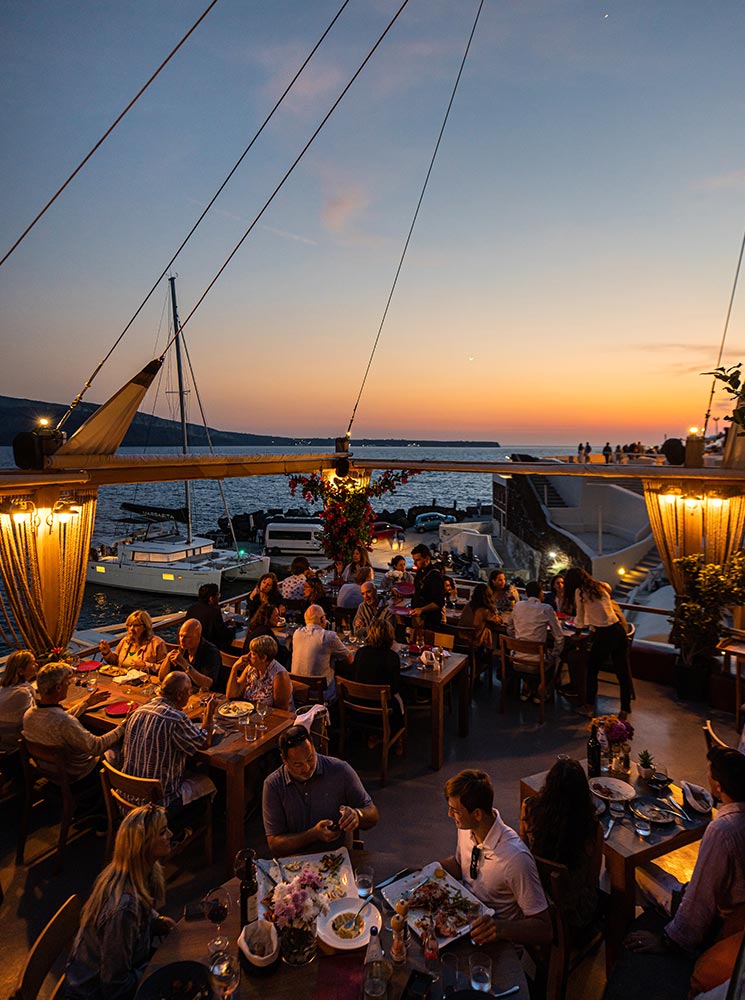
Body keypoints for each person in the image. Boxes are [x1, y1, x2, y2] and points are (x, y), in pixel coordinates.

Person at [626, 747, 745, 957]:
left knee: (634, 872)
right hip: (733, 914)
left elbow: (701, 898)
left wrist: (670, 941)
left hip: (720, 924)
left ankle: (619, 938)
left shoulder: (723, 831)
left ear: (717, 785)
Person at [64, 804, 175, 1000]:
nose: (171, 835)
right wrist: (155, 969)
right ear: (144, 845)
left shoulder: (138, 874)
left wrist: (156, 921)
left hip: (126, 969)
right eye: (163, 832)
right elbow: (115, 987)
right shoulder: (123, 909)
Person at [438, 769, 551, 948]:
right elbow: (461, 865)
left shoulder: (515, 859)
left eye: (455, 810)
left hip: (497, 943)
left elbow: (544, 929)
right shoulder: (467, 829)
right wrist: (427, 871)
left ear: (477, 814)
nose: (450, 815)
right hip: (462, 922)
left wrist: (500, 929)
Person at [262, 723, 379, 857]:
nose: (307, 768)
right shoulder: (273, 785)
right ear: (284, 760)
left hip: (338, 859)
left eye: (310, 758)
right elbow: (275, 846)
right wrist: (313, 835)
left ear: (313, 747)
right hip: (296, 865)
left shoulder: (340, 770)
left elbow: (373, 815)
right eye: (298, 764)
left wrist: (358, 815)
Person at [520, 758, 603, 941]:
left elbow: (522, 852)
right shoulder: (591, 827)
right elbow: (592, 880)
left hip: (535, 899)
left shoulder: (530, 809)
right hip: (573, 915)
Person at [122, 671, 217, 823]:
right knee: (207, 780)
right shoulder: (176, 719)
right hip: (156, 808)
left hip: (127, 800)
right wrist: (209, 714)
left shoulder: (138, 711)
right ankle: (189, 832)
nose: (191, 694)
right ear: (179, 695)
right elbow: (204, 742)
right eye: (189, 691)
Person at [22, 662, 123, 787]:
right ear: (58, 687)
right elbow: (97, 746)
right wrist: (123, 726)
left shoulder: (29, 714)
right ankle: (115, 796)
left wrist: (86, 703)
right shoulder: (65, 722)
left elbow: (57, 719)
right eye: (66, 682)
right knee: (121, 748)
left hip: (50, 772)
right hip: (80, 775)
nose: (69, 684)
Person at [562, 566, 631, 719]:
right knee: (622, 671)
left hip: (605, 633)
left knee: (591, 670)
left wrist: (577, 633)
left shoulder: (580, 592)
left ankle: (589, 706)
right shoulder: (599, 587)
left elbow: (580, 617)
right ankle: (625, 709)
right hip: (618, 630)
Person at [509, 580, 565, 703]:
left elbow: (509, 628)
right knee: (554, 658)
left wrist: (519, 640)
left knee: (528, 656)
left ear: (527, 594)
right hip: (537, 662)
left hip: (516, 660)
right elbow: (559, 637)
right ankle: (541, 691)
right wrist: (554, 654)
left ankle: (526, 688)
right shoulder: (546, 609)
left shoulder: (518, 606)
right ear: (540, 593)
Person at [288, 605, 352, 700]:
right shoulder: (329, 637)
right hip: (322, 695)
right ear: (322, 619)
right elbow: (350, 659)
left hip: (298, 693)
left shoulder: (297, 634)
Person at [349, 618, 404, 727]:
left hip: (357, 707)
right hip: (383, 710)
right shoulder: (391, 657)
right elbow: (395, 687)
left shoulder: (360, 653)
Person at [226, 634, 294, 712]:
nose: (248, 656)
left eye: (253, 654)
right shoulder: (250, 668)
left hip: (268, 718)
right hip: (249, 714)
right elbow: (231, 695)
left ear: (264, 658)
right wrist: (234, 668)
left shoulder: (279, 675)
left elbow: (281, 711)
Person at [158, 618, 221, 691]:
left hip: (208, 696)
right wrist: (168, 658)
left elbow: (207, 684)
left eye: (187, 637)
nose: (182, 640)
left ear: (198, 636)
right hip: (186, 691)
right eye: (180, 636)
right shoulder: (183, 648)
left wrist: (185, 664)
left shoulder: (210, 652)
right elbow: (162, 677)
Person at [99, 611, 167, 674]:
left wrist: (145, 665)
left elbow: (164, 669)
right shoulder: (125, 641)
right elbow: (116, 662)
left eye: (136, 625)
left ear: (145, 627)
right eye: (129, 625)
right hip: (122, 680)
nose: (131, 628)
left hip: (144, 683)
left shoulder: (157, 643)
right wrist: (107, 653)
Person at [0, 649, 38, 752]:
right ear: (20, 671)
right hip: (15, 749)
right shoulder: (22, 693)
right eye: (33, 663)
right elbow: (34, 722)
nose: (37, 665)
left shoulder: (4, 689)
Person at [184, 583, 236, 652]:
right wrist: (233, 628)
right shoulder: (214, 611)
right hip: (208, 651)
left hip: (192, 648)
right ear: (211, 598)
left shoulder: (192, 608)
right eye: (218, 595)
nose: (219, 597)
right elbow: (222, 634)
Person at [411, 543, 446, 631]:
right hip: (418, 619)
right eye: (414, 560)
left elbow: (439, 602)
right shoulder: (420, 573)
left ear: (426, 559)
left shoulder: (435, 576)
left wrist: (422, 609)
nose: (415, 563)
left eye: (418, 560)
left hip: (430, 622)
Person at [459, 584, 503, 653]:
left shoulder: (468, 605)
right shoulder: (484, 610)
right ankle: (488, 656)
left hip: (461, 638)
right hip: (474, 640)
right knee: (488, 632)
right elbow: (498, 621)